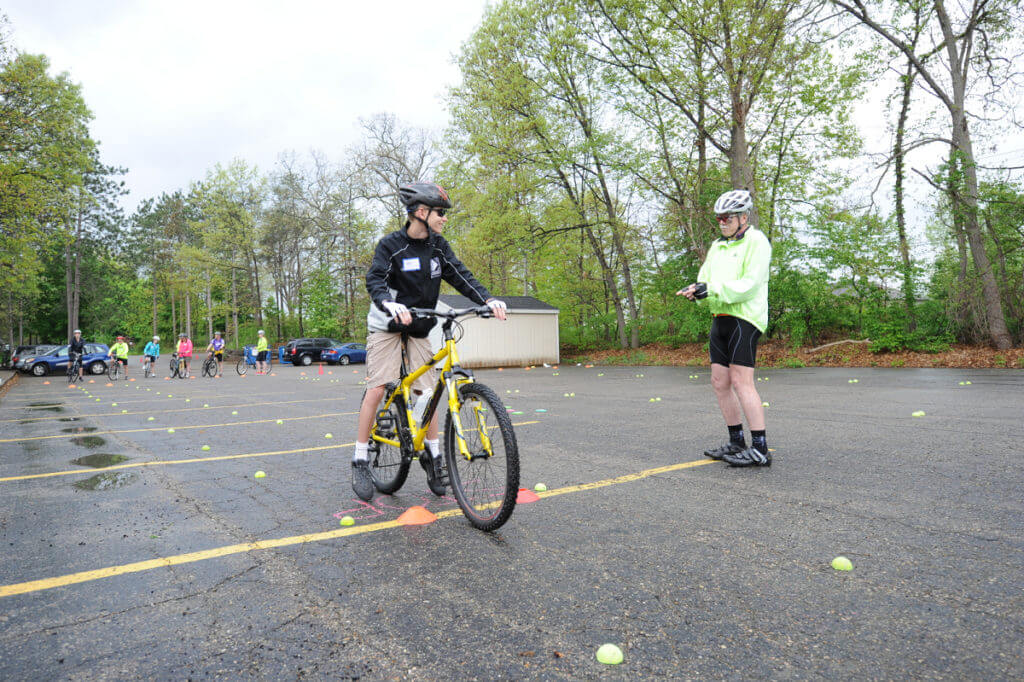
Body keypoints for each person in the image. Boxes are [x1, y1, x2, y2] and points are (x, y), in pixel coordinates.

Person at [351, 181, 507, 502]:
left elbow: (461, 275)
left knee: (430, 389)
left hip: (420, 324)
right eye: (440, 213)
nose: (444, 219)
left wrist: (488, 299)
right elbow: (375, 279)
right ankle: (361, 457)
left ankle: (434, 457)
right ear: (421, 213)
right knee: (378, 386)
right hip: (388, 324)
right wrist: (388, 302)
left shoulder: (438, 247)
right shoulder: (391, 246)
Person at [677, 189, 772, 467]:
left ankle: (760, 448)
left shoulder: (757, 242)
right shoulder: (718, 247)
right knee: (720, 382)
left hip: (746, 318)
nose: (722, 222)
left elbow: (749, 286)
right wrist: (697, 292)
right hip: (721, 317)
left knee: (742, 382)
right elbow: (705, 280)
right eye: (718, 218)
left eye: (727, 218)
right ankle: (736, 441)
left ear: (743, 217)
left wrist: (712, 289)